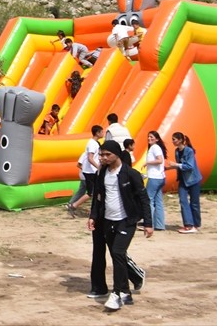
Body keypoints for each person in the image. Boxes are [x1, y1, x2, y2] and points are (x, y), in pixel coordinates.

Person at [86, 140, 153, 311]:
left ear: (116, 154)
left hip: (127, 220)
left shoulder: (130, 174)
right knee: (118, 256)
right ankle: (126, 291)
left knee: (117, 252)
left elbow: (144, 199)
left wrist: (148, 223)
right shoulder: (102, 173)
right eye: (102, 154)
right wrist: (93, 216)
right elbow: (98, 197)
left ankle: (116, 293)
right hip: (108, 220)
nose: (103, 158)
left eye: (107, 154)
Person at [165, 132, 201, 233]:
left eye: (174, 139)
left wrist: (175, 164)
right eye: (172, 139)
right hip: (183, 180)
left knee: (194, 203)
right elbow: (179, 166)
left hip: (193, 180)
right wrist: (168, 168)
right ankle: (188, 225)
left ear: (180, 140)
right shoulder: (177, 151)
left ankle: (196, 224)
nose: (173, 141)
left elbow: (189, 166)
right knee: (183, 201)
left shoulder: (189, 151)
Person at [68, 125, 105, 216]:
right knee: (91, 192)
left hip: (91, 171)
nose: (103, 133)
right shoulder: (92, 143)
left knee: (94, 191)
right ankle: (73, 205)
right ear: (97, 133)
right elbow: (90, 158)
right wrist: (98, 167)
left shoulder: (94, 143)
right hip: (91, 172)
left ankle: (93, 209)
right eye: (102, 132)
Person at [144, 131, 167, 231]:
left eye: (151, 137)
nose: (149, 138)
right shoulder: (155, 148)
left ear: (157, 139)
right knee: (158, 201)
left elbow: (160, 160)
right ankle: (160, 224)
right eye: (148, 137)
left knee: (149, 200)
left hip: (155, 178)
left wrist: (147, 162)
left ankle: (149, 224)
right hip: (160, 177)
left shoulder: (155, 147)